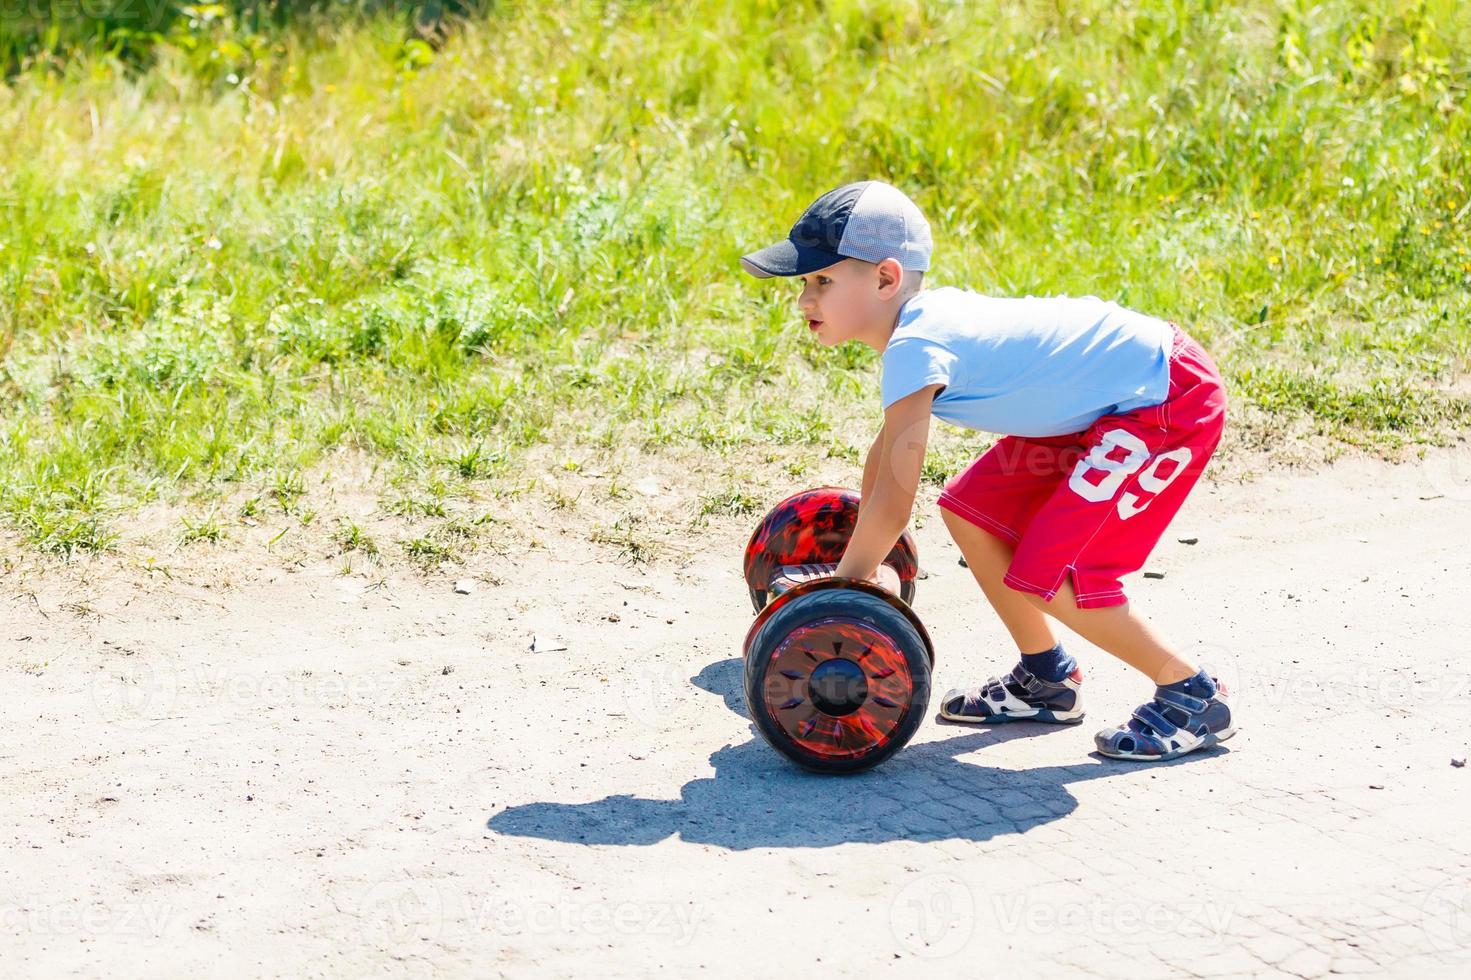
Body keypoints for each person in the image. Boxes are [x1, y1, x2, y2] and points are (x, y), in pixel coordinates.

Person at [738, 180, 1234, 762]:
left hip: (1163, 396)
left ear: (885, 279)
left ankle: (1192, 692)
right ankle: (1046, 679)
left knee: (1048, 569)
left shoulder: (918, 344)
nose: (805, 301)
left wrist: (840, 594)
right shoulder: (915, 335)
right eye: (804, 283)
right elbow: (885, 463)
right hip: (1107, 403)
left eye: (822, 281)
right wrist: (855, 570)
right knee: (974, 513)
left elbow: (895, 505)